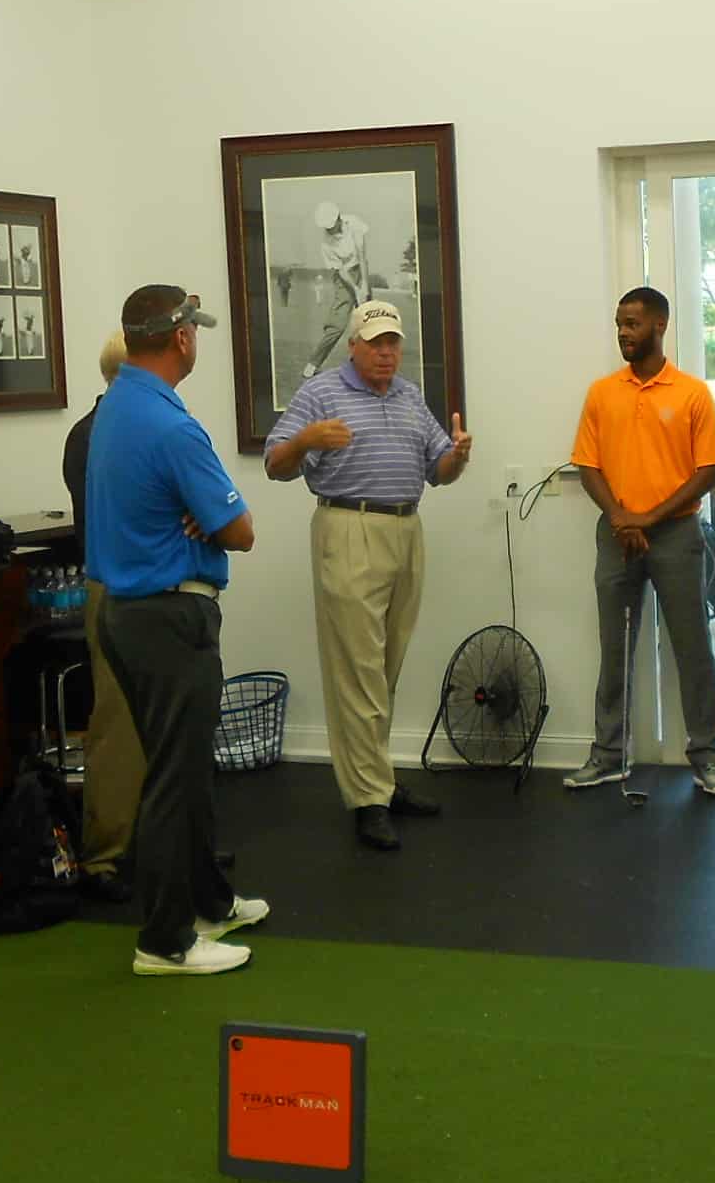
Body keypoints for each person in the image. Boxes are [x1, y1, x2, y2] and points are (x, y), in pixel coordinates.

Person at [84, 284, 268, 977]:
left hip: (129, 615)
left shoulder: (118, 409)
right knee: (173, 777)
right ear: (183, 337)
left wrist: (196, 512)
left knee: (181, 772)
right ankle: (164, 941)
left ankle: (209, 903)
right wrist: (206, 515)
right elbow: (242, 531)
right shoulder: (171, 427)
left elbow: (198, 511)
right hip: (168, 617)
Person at [266, 299, 472, 851]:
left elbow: (439, 470)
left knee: (385, 668)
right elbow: (275, 463)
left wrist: (458, 456)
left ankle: (377, 779)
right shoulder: (320, 394)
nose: (386, 353)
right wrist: (308, 440)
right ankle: (368, 800)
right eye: (376, 343)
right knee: (357, 673)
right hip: (348, 527)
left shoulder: (408, 396)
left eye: (393, 343)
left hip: (406, 530)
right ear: (353, 345)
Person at [562, 286, 715, 798]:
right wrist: (620, 517)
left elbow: (710, 470)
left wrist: (649, 518)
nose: (623, 333)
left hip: (676, 534)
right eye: (618, 324)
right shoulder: (602, 392)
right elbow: (587, 464)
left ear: (659, 325)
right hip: (617, 534)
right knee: (614, 647)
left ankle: (706, 756)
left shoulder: (692, 392)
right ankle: (609, 755)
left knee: (691, 646)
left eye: (632, 323)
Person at [64, 331, 139, 891]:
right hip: (117, 589)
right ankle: (104, 853)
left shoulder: (129, 427)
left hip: (146, 588)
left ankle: (154, 837)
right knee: (116, 725)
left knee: (162, 724)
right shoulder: (95, 435)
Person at [302, 201, 370, 380]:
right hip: (344, 278)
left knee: (368, 321)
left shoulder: (354, 223)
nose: (330, 231)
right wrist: (356, 290)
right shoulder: (326, 244)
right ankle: (313, 363)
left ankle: (363, 365)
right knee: (337, 325)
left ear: (339, 218)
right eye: (327, 228)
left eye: (332, 226)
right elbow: (341, 271)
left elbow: (362, 255)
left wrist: (364, 285)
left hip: (360, 270)